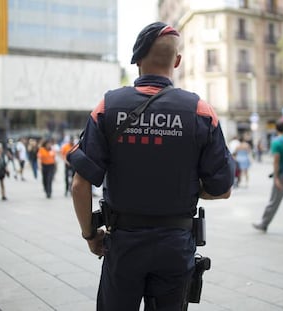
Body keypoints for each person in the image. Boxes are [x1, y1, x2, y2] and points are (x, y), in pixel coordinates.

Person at [69, 22, 234, 311]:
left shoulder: (107, 107)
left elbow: (79, 185)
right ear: (178, 61)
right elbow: (223, 188)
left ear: (136, 60)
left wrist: (91, 236)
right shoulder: (200, 112)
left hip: (123, 246)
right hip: (176, 246)